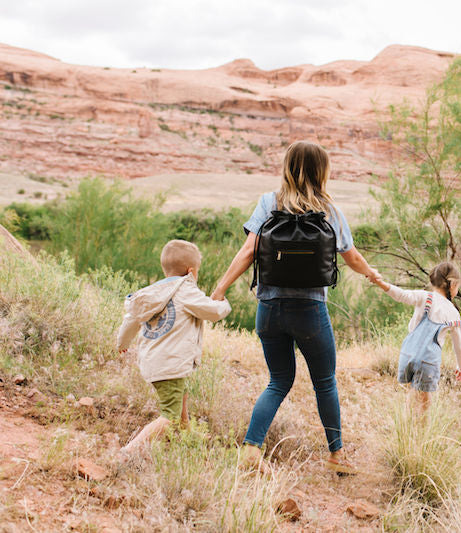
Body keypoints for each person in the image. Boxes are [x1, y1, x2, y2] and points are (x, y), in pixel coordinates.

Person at [210, 140, 380, 475]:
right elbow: (353, 256)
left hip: (269, 307)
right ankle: (336, 456)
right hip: (310, 310)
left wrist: (220, 287)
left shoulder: (268, 202)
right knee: (325, 382)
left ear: (288, 167)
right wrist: (373, 275)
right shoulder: (330, 210)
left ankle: (251, 448)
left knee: (278, 380)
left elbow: (248, 252)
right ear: (323, 171)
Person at [116, 239, 231, 457]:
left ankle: (187, 436)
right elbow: (212, 312)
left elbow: (131, 319)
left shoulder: (150, 293)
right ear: (191, 272)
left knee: (179, 395)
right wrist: (222, 302)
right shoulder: (186, 290)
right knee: (170, 415)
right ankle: (130, 450)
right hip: (170, 361)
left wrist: (123, 343)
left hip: (152, 360)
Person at [370, 261, 461, 410]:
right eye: (458, 287)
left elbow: (401, 295)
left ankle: (407, 424)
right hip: (428, 360)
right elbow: (459, 346)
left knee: (412, 391)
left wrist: (381, 283)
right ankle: (421, 431)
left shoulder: (424, 297)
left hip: (408, 354)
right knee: (424, 401)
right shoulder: (453, 312)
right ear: (452, 284)